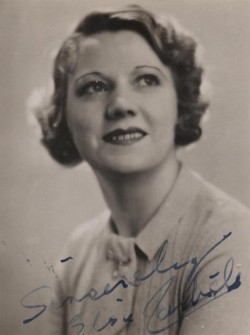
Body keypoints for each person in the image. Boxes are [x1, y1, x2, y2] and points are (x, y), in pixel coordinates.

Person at [36, 5, 250, 335]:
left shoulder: (231, 240)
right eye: (93, 86)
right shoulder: (77, 254)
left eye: (147, 79)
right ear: (63, 117)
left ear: (180, 101)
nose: (121, 104)